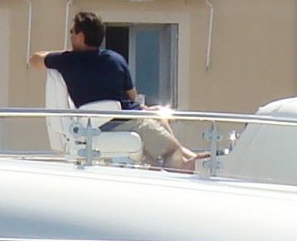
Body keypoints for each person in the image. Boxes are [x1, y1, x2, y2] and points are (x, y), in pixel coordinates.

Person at [30, 11, 205, 173]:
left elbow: (35, 59)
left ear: (81, 36)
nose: (70, 36)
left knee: (161, 124)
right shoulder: (114, 59)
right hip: (125, 119)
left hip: (107, 122)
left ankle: (189, 159)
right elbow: (132, 96)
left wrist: (64, 56)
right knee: (170, 150)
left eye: (72, 32)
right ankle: (189, 164)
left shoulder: (66, 61)